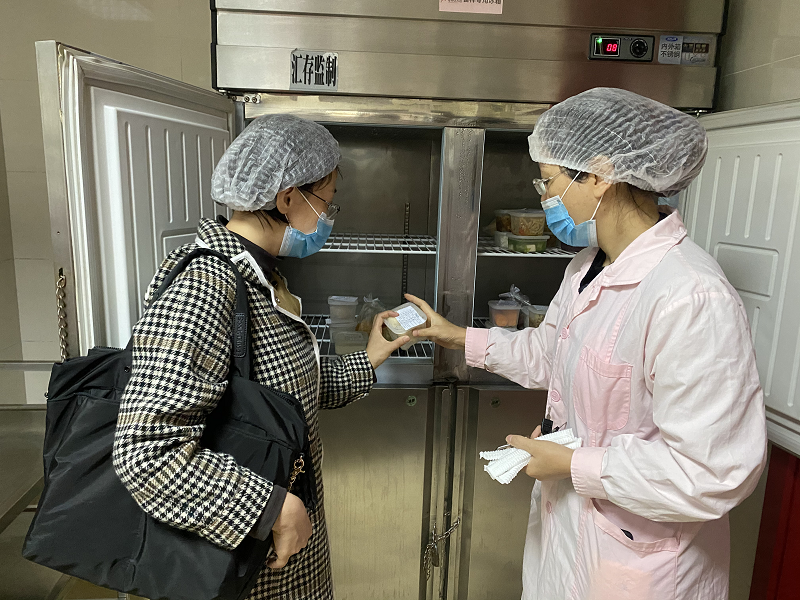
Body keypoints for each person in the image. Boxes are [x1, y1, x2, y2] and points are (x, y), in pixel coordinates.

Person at [406, 88, 768, 600]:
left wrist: (573, 464)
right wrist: (456, 335)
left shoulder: (691, 296)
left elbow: (711, 472)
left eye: (549, 180)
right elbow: (550, 354)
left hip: (641, 567)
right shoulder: (587, 266)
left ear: (599, 175)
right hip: (570, 541)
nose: (543, 198)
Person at [112, 115, 409, 600]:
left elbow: (283, 397)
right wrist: (269, 508)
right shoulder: (203, 290)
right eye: (327, 203)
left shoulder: (262, 278)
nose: (329, 218)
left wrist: (374, 354)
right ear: (287, 199)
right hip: (243, 571)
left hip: (283, 562)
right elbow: (146, 454)